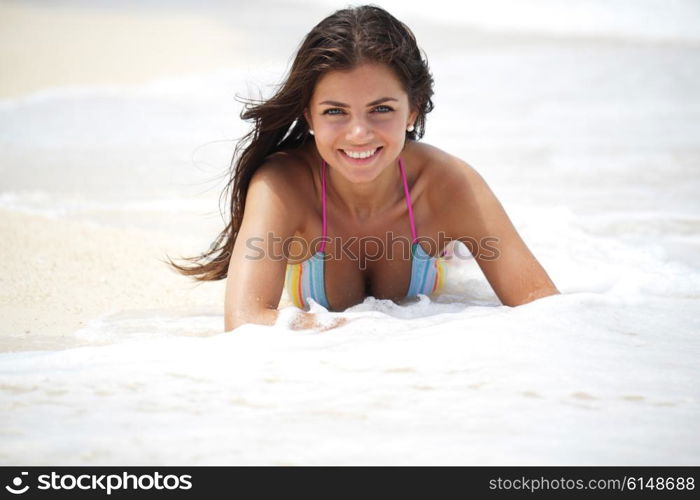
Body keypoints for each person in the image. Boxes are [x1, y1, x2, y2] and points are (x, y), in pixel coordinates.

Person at [171, 5, 559, 331]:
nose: (359, 134)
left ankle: (452, 249)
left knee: (456, 254)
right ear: (308, 114)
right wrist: (361, 334)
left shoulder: (448, 185)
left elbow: (546, 311)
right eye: (335, 112)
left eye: (381, 109)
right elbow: (245, 323)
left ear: (414, 109)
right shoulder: (283, 185)